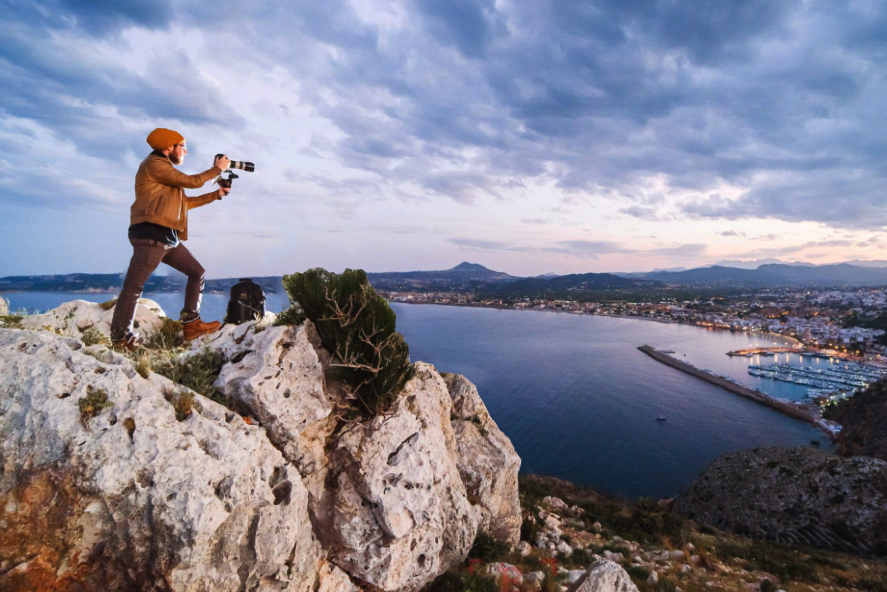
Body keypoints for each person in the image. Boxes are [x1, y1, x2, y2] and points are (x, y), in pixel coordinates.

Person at [110, 127, 231, 349]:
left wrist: (216, 194)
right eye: (182, 146)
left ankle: (192, 325)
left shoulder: (165, 174)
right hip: (151, 234)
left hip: (167, 236)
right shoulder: (155, 165)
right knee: (133, 286)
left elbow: (185, 203)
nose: (185, 151)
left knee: (197, 272)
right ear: (169, 147)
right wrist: (216, 169)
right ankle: (120, 338)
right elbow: (193, 181)